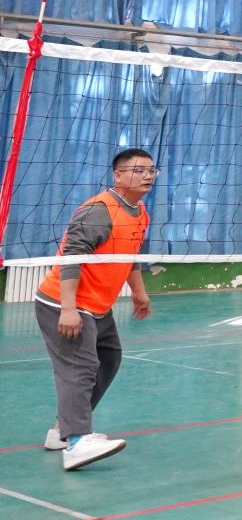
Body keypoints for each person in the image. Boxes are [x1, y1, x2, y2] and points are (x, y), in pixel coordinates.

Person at [36, 148, 154, 471]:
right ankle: (76, 442)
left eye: (151, 170)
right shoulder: (98, 211)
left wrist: (139, 293)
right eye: (138, 170)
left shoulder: (140, 212)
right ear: (118, 176)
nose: (147, 175)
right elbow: (71, 258)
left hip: (98, 307)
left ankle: (62, 430)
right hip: (64, 303)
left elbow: (128, 256)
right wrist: (68, 309)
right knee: (81, 367)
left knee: (110, 358)